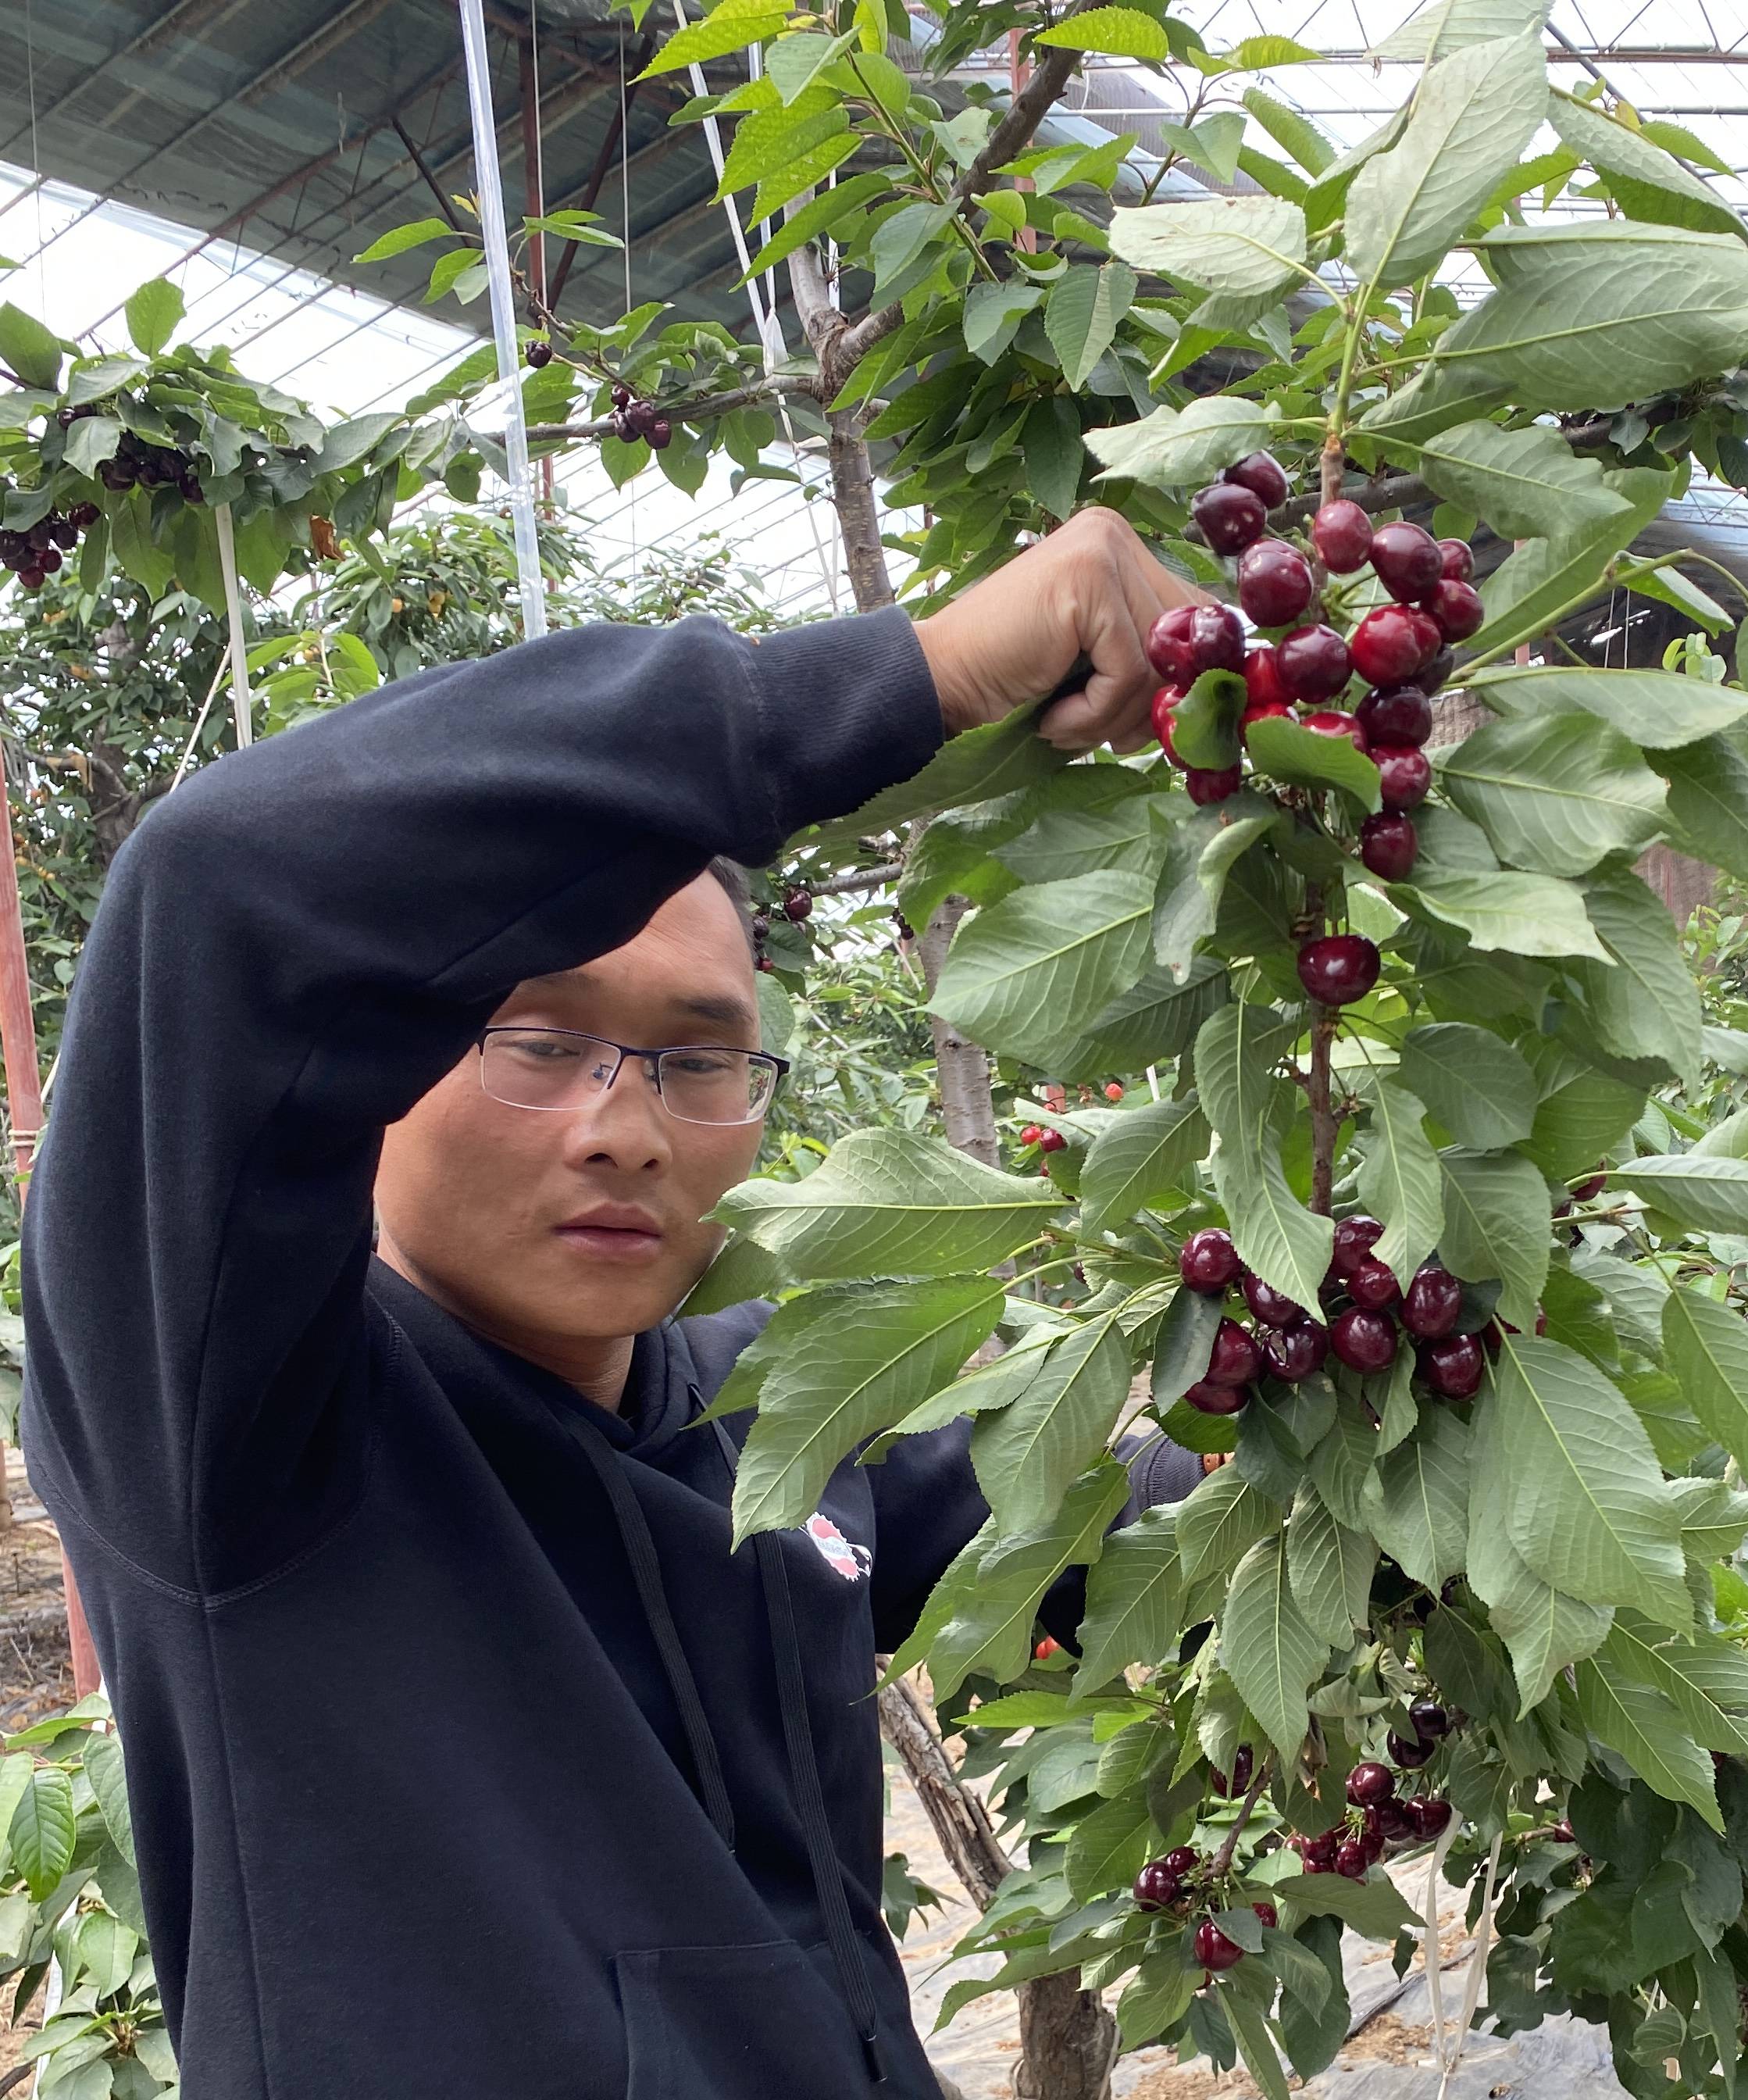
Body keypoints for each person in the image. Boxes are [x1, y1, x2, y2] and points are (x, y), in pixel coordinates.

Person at [20, 508, 1209, 2098]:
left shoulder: (777, 1402)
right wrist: (904, 680)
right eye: (536, 1038)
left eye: (697, 1057)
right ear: (375, 1059)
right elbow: (217, 891)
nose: (624, 1123)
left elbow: (1116, 1522)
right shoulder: (239, 1439)